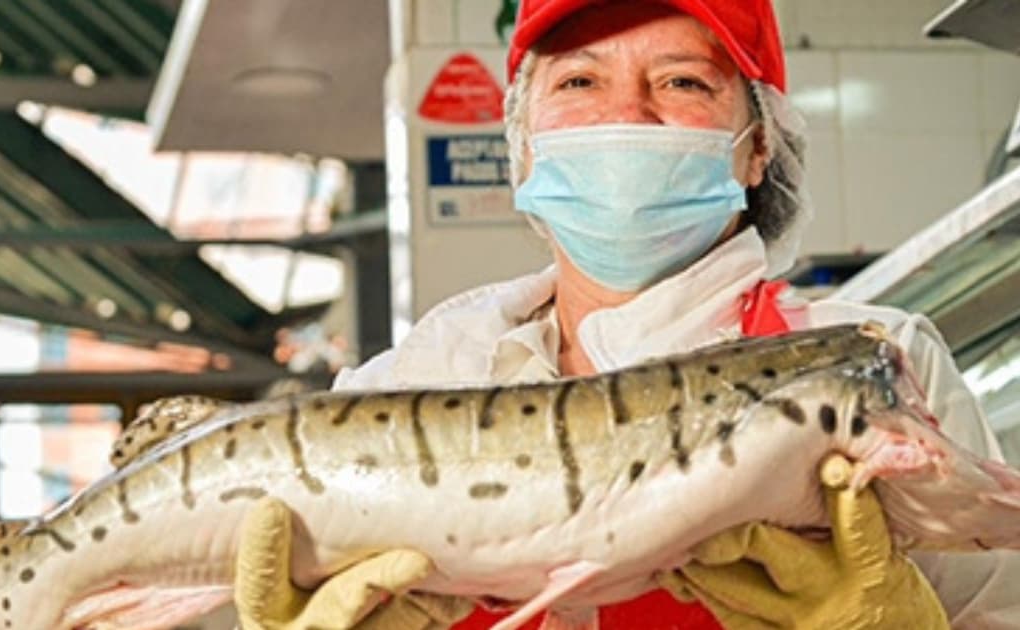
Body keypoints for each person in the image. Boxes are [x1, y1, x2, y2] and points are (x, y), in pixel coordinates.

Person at [231, 0, 1020, 628]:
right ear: (525, 146)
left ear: (757, 149)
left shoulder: (870, 371)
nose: (627, 116)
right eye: (579, 82)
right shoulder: (402, 386)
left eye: (682, 81)